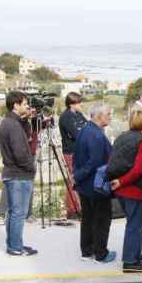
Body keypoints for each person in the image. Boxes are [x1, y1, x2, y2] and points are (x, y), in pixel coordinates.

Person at [109, 110, 142, 273]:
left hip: (121, 190)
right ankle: (130, 261)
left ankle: (136, 254)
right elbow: (139, 169)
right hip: (135, 190)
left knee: (133, 224)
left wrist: (119, 181)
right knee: (135, 226)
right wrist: (122, 181)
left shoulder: (122, 137)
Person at [73, 104, 115, 263]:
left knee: (88, 218)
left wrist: (77, 176)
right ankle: (100, 253)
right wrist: (78, 175)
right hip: (96, 185)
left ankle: (86, 251)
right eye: (108, 114)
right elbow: (95, 162)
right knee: (102, 219)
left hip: (85, 184)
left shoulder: (85, 129)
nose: (110, 117)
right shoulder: (96, 135)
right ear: (99, 116)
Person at [0, 91, 39, 257]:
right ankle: (15, 247)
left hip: (12, 173)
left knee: (13, 212)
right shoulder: (13, 126)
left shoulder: (11, 122)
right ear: (15, 105)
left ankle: (14, 244)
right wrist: (31, 167)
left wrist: (27, 119)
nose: (27, 107)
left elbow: (27, 135)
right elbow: (21, 153)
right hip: (19, 175)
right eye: (24, 104)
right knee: (18, 213)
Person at [58, 91, 87, 219]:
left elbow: (87, 128)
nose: (81, 105)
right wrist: (82, 131)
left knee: (80, 179)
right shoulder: (65, 117)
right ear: (72, 104)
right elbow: (77, 134)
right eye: (79, 102)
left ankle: (80, 206)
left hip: (81, 151)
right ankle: (72, 209)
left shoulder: (79, 115)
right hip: (71, 152)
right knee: (73, 180)